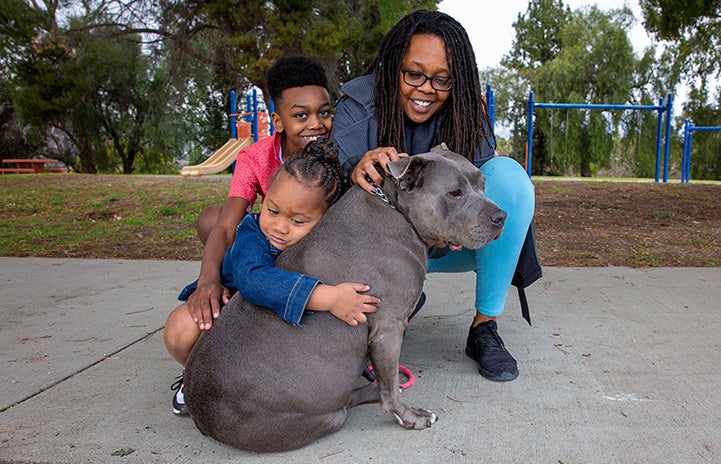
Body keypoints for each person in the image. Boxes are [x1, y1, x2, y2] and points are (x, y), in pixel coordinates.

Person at [330, 10, 537, 383]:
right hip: (376, 254)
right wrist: (352, 168)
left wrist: (460, 213)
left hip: (448, 248)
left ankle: (484, 328)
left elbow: (481, 188)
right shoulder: (358, 105)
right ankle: (398, 299)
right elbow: (323, 198)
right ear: (394, 67)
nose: (427, 88)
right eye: (414, 74)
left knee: (510, 177)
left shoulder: (466, 112)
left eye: (442, 79)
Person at [165, 139, 380, 415]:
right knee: (180, 329)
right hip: (234, 313)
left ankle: (286, 384)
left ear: (326, 220)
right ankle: (199, 375)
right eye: (273, 210)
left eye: (297, 221)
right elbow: (253, 280)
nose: (279, 227)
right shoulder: (253, 234)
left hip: (276, 329)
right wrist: (329, 297)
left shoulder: (327, 240)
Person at [190, 54, 334, 334]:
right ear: (278, 122)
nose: (316, 124)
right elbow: (227, 224)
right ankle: (247, 285)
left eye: (324, 112)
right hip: (278, 244)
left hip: (319, 247)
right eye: (301, 115)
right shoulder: (255, 157)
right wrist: (207, 279)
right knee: (212, 219)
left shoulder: (337, 153)